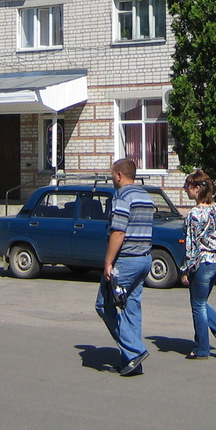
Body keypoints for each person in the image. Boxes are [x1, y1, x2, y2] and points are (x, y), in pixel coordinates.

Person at [95, 156, 155, 376]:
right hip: (144, 258)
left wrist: (108, 262)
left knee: (104, 305)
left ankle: (135, 351)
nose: (112, 178)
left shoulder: (121, 196)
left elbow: (119, 231)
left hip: (126, 261)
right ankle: (131, 361)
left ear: (119, 175)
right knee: (132, 307)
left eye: (112, 174)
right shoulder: (146, 195)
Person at [180, 169, 216, 360]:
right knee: (201, 303)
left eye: (187, 186)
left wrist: (185, 270)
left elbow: (191, 244)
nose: (186, 190)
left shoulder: (194, 214)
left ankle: (202, 348)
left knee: (198, 306)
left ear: (196, 188)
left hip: (202, 263)